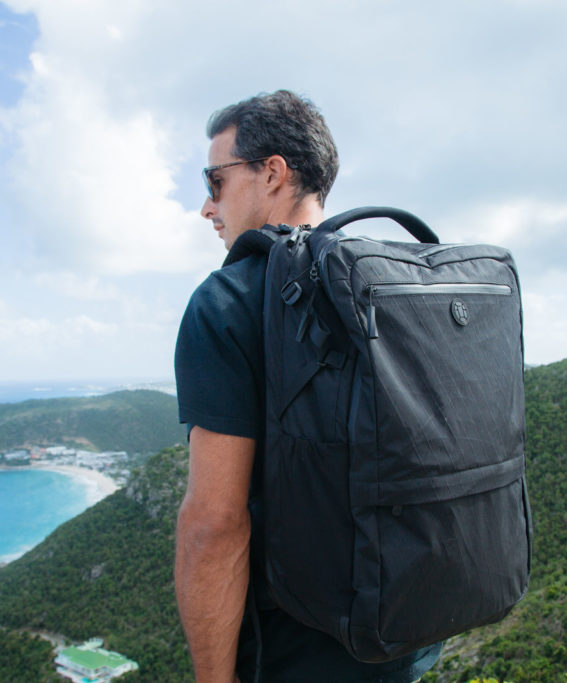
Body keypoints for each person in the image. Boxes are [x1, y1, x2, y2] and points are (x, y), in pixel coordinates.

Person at [173, 90, 442, 682]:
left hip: (297, 659)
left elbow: (214, 524)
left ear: (272, 173)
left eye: (214, 181)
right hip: (405, 639)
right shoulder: (393, 284)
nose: (206, 206)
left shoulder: (229, 300)